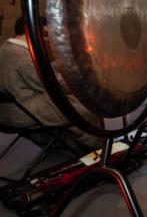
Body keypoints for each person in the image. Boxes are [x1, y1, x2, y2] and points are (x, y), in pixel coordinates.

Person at [0, 17, 103, 152]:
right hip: (21, 113)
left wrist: (60, 65)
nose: (46, 40)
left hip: (7, 109)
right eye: (44, 34)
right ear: (30, 31)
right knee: (83, 107)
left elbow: (37, 73)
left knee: (71, 102)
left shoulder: (7, 48)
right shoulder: (23, 57)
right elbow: (55, 86)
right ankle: (97, 149)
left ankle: (71, 144)